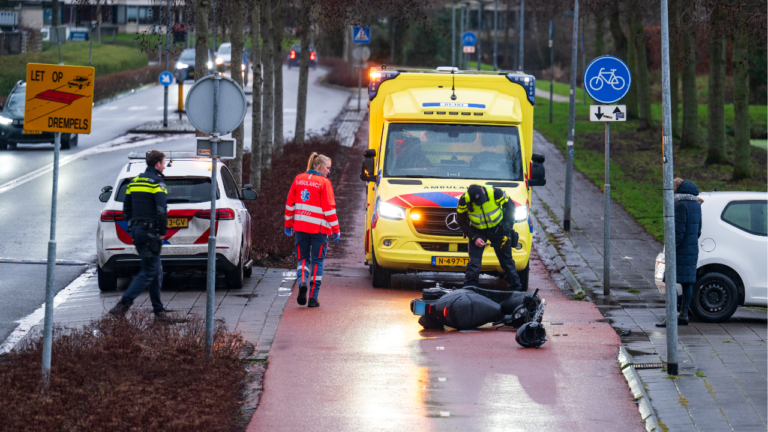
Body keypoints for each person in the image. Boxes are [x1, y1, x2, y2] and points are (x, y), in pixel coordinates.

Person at [110, 150, 168, 320]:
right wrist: (163, 231)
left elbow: (126, 209)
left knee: (155, 270)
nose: (164, 166)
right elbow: (161, 210)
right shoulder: (157, 182)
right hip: (150, 232)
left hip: (138, 231)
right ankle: (123, 305)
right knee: (149, 271)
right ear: (157, 164)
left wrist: (133, 225)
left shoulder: (134, 182)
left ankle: (159, 310)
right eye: (164, 163)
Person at [284, 153, 340, 308]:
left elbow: (290, 204)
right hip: (319, 230)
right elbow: (329, 210)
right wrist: (336, 229)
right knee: (317, 261)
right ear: (320, 166)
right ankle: (313, 298)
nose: (329, 171)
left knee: (302, 258)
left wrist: (288, 224)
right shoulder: (324, 183)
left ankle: (302, 282)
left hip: (301, 227)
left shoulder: (298, 179)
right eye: (327, 168)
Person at [457, 184, 521, 290]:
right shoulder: (464, 200)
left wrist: (507, 226)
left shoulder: (496, 193)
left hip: (498, 229)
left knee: (506, 260)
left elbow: (511, 207)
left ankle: (515, 287)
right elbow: (461, 220)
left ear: (483, 190)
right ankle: (470, 288)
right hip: (478, 231)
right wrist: (474, 237)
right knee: (474, 262)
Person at [657, 178, 702, 327]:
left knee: (669, 281)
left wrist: (670, 249)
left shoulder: (680, 205)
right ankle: (683, 315)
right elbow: (698, 230)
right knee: (687, 283)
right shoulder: (696, 204)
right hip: (692, 248)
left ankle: (671, 317)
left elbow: (678, 232)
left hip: (679, 249)